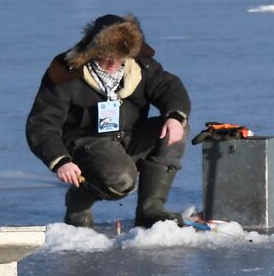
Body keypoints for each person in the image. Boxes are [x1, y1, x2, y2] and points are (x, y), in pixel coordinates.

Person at [26, 14, 189, 230]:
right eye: (106, 55)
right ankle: (80, 197)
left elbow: (170, 87)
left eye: (120, 56)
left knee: (175, 129)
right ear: (94, 50)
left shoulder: (141, 66)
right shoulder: (67, 71)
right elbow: (42, 124)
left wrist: (175, 117)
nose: (113, 63)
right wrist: (60, 161)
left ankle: (151, 210)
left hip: (128, 136)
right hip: (86, 143)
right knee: (121, 181)